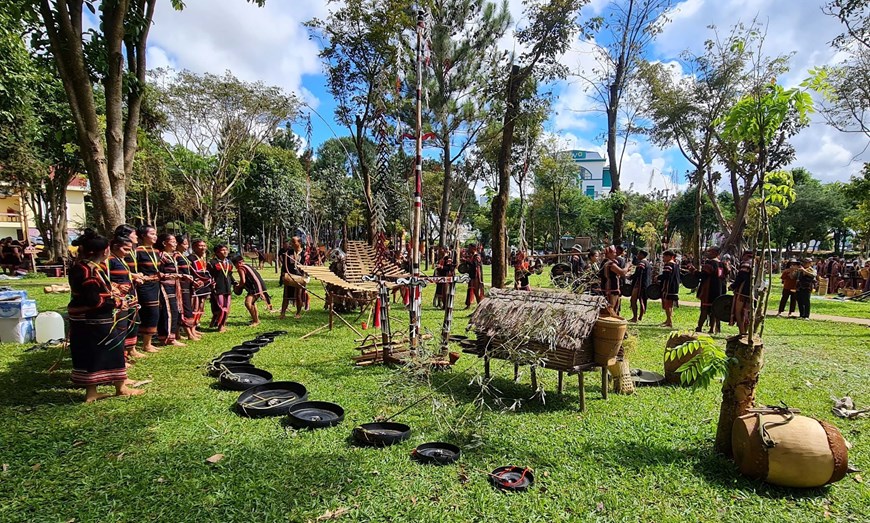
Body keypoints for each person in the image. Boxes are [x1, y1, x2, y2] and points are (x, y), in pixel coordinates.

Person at [67, 229, 144, 403]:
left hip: (87, 319)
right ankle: (120, 388)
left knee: (90, 353)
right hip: (93, 319)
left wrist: (113, 291)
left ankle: (93, 392)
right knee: (111, 349)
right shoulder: (88, 271)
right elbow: (93, 299)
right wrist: (116, 301)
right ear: (105, 251)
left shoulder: (84, 267)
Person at [106, 235, 143, 366]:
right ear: (115, 247)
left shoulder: (121, 260)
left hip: (128, 298)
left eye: (129, 249)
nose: (128, 252)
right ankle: (118, 358)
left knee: (129, 326)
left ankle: (127, 352)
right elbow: (105, 280)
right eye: (125, 249)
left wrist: (133, 278)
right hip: (117, 300)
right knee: (119, 328)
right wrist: (117, 287)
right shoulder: (110, 260)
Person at [134, 225, 161, 353]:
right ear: (143, 236)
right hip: (144, 286)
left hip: (156, 285)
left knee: (155, 313)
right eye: (152, 234)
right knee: (150, 312)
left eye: (155, 233)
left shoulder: (155, 252)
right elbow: (134, 270)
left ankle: (148, 342)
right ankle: (145, 344)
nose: (155, 236)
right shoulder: (137, 251)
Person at [156, 233, 185, 347]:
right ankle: (169, 338)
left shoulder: (172, 256)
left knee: (174, 310)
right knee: (169, 311)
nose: (175, 244)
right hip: (165, 286)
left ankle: (167, 336)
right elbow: (158, 273)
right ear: (164, 243)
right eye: (172, 241)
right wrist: (172, 276)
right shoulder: (161, 256)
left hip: (174, 286)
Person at [232, 255, 273, 326]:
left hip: (255, 287)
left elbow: (243, 281)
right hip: (260, 286)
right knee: (252, 303)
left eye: (235, 265)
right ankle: (255, 319)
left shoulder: (241, 268)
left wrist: (238, 286)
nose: (236, 267)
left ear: (238, 263)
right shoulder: (247, 266)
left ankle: (256, 321)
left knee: (248, 303)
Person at [175, 236, 200, 341]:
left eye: (187, 244)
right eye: (184, 244)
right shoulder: (175, 256)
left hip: (187, 285)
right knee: (183, 308)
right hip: (180, 286)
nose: (186, 246)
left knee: (187, 307)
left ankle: (188, 332)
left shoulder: (183, 256)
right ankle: (188, 334)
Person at [696, 246, 725, 333]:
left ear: (716, 253)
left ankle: (699, 327)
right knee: (714, 309)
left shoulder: (710, 263)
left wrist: (693, 271)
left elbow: (703, 276)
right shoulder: (721, 264)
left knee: (704, 309)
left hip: (708, 290)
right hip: (718, 289)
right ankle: (712, 328)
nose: (708, 253)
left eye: (710, 252)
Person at [279, 237, 308, 319]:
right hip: (289, 276)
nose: (292, 244)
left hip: (299, 277)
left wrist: (304, 276)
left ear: (299, 243)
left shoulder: (304, 254)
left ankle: (298, 313)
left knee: (298, 295)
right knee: (286, 295)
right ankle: (283, 313)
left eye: (294, 242)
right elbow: (285, 265)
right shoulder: (288, 252)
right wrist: (283, 274)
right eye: (291, 242)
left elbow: (306, 266)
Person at [188, 239, 213, 334]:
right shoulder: (190, 259)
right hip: (196, 286)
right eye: (200, 246)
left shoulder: (202, 259)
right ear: (194, 247)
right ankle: (192, 327)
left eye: (204, 246)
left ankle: (197, 324)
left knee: (201, 306)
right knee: (195, 306)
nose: (203, 248)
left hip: (205, 286)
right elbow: (192, 273)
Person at [208, 244, 234, 332]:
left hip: (227, 288)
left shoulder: (229, 262)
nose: (225, 252)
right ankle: (220, 326)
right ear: (217, 253)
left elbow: (229, 275)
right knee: (221, 308)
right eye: (222, 250)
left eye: (226, 250)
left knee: (227, 307)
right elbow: (208, 275)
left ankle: (220, 323)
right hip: (218, 289)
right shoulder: (212, 263)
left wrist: (234, 283)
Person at [729, 252, 755, 336]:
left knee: (738, 312)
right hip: (754, 291)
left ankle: (742, 331)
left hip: (743, 291)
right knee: (748, 311)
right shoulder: (758, 263)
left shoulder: (746, 263)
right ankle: (746, 330)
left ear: (746, 256)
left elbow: (741, 277)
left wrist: (733, 286)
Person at [600, 246, 630, 312]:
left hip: (606, 287)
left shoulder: (604, 262)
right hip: (611, 288)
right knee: (611, 308)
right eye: (614, 253)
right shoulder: (610, 263)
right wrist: (627, 265)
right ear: (609, 254)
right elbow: (622, 272)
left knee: (609, 308)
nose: (615, 254)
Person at [658, 250, 680, 328]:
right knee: (669, 304)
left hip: (668, 287)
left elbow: (666, 276)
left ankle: (669, 322)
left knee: (667, 305)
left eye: (664, 256)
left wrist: (657, 277)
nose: (663, 258)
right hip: (674, 287)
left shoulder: (668, 265)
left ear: (670, 257)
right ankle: (668, 320)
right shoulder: (676, 265)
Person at [629, 249, 650, 323]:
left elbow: (638, 274)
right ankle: (640, 316)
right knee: (642, 300)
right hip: (645, 284)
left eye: (638, 254)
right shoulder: (647, 262)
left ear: (642, 255)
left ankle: (635, 317)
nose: (637, 255)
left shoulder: (642, 263)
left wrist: (630, 277)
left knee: (633, 300)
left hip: (639, 284)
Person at [464, 244, 484, 309]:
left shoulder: (477, 256)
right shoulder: (472, 256)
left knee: (476, 291)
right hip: (471, 275)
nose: (468, 249)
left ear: (473, 248)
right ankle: (468, 304)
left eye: (470, 248)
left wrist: (468, 261)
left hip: (476, 276)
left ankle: (480, 304)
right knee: (470, 289)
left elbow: (476, 265)